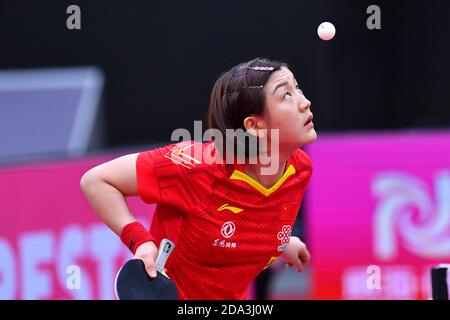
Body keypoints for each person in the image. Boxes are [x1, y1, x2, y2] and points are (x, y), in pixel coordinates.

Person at [80, 57, 317, 299]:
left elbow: (246, 220)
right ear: (254, 125)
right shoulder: (196, 167)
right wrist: (140, 241)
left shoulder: (299, 170)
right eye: (286, 95)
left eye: (297, 88)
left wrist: (280, 244)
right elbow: (96, 181)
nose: (305, 102)